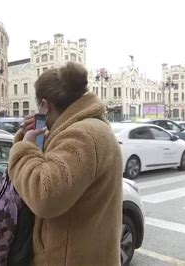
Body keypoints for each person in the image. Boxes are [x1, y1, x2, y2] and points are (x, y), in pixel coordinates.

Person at [8, 62, 122, 265]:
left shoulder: (82, 136)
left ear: (45, 105)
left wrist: (24, 150)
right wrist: (30, 135)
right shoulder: (85, 129)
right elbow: (49, 165)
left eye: (39, 108)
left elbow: (45, 196)